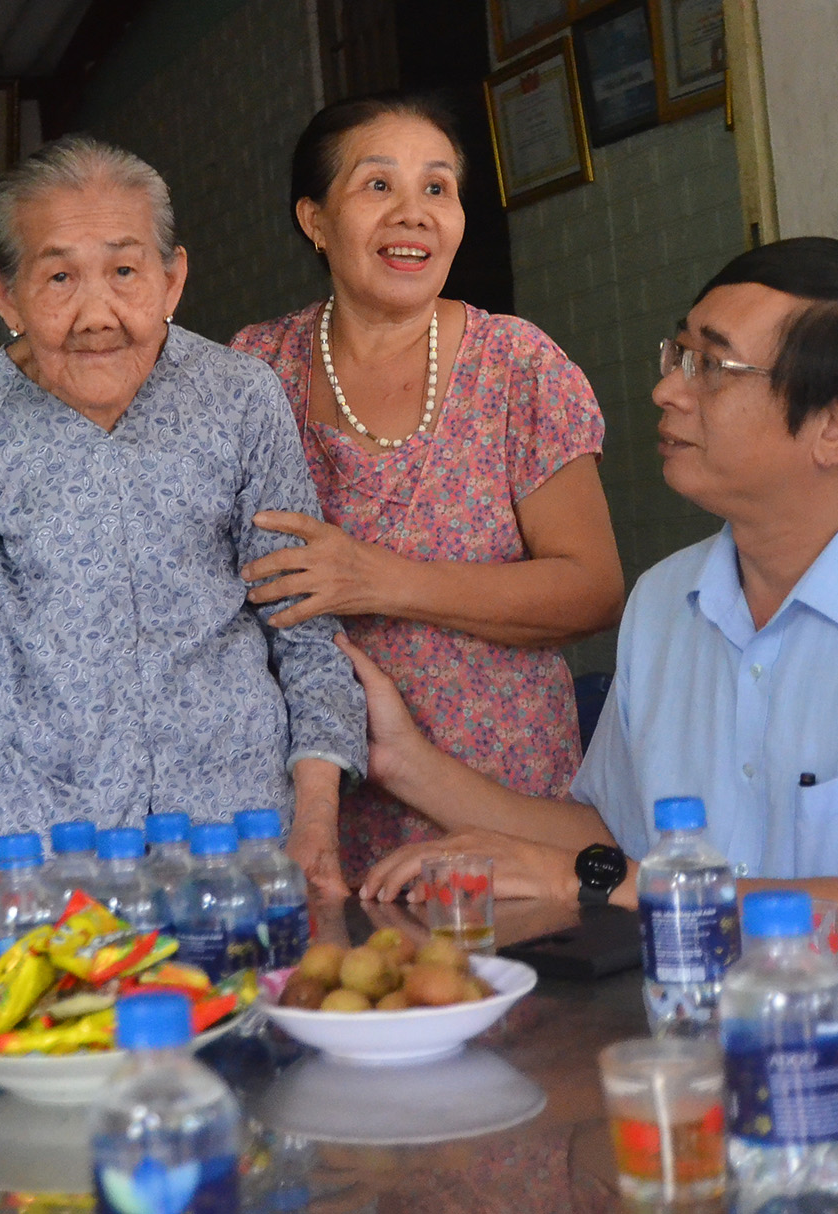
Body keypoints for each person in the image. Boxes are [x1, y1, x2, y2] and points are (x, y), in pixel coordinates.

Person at [349, 237, 838, 1043]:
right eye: (676, 353)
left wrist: (598, 883)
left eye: (712, 367)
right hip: (741, 1067)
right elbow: (612, 839)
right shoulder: (668, 599)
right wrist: (408, 764)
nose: (665, 389)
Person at [0, 137, 367, 930]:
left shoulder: (241, 399)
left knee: (244, 1049)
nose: (97, 315)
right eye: (59, 277)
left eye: (124, 270)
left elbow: (305, 631)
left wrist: (314, 819)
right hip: (37, 859)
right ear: (6, 297)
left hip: (232, 843)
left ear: (172, 279)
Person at [231, 95, 622, 887]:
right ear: (314, 219)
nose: (414, 215)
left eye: (437, 189)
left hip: (503, 792)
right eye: (378, 187)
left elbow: (592, 590)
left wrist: (378, 579)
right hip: (313, 794)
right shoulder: (253, 370)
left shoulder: (517, 366)